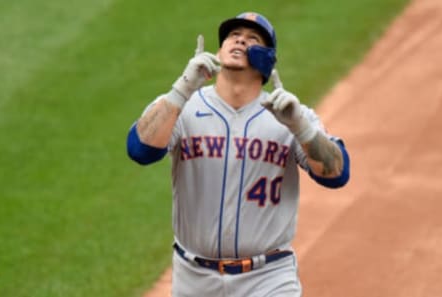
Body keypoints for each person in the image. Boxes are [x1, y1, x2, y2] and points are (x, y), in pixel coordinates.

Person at [127, 12, 350, 297]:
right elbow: (139, 150)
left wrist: (301, 128)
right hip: (194, 278)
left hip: (268, 278)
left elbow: (337, 174)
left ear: (267, 59)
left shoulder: (290, 116)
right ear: (219, 51)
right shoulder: (182, 106)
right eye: (233, 36)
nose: (240, 40)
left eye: (252, 38)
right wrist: (182, 88)